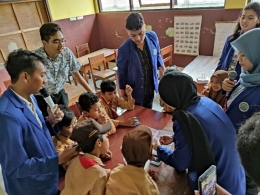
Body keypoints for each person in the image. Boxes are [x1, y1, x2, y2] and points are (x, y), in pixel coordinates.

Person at [0, 49, 78, 195]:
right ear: (25, 77)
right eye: (42, 75)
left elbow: (33, 134)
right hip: (31, 188)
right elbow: (16, 167)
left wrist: (52, 123)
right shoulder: (6, 115)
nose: (45, 80)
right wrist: (58, 159)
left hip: (47, 180)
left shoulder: (31, 97)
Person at [154, 71, 245, 195]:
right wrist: (176, 138)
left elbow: (180, 163)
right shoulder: (206, 102)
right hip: (236, 179)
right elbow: (204, 134)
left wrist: (159, 149)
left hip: (217, 186)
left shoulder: (184, 119)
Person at [33, 23, 93, 116]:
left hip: (60, 94)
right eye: (56, 41)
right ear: (45, 42)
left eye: (63, 40)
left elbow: (76, 74)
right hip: (42, 99)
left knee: (66, 122)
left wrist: (92, 93)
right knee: (50, 125)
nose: (61, 45)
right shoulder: (35, 58)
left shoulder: (66, 53)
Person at [117, 12, 165, 109]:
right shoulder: (124, 50)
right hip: (135, 91)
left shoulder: (153, 37)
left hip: (150, 88)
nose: (138, 38)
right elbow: (121, 73)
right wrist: (123, 96)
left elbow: (159, 58)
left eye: (141, 33)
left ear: (145, 27)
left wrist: (164, 88)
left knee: (149, 113)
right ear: (127, 31)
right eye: (133, 35)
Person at [61, 119, 111, 195]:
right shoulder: (99, 174)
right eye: (106, 136)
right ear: (98, 143)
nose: (107, 139)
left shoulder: (75, 159)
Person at [106, 125, 159, 195]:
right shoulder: (150, 188)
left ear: (123, 153)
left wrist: (145, 175)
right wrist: (147, 177)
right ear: (151, 156)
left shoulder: (114, 173)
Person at [215, 2, 260, 80]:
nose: (244, 21)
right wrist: (215, 78)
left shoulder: (257, 43)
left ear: (258, 20)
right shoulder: (231, 38)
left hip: (241, 83)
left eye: (250, 18)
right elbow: (222, 60)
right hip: (224, 81)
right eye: (243, 17)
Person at [53, 105, 78, 170]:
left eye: (75, 122)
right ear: (59, 129)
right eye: (69, 126)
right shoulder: (58, 146)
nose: (74, 127)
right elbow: (69, 167)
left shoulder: (71, 134)